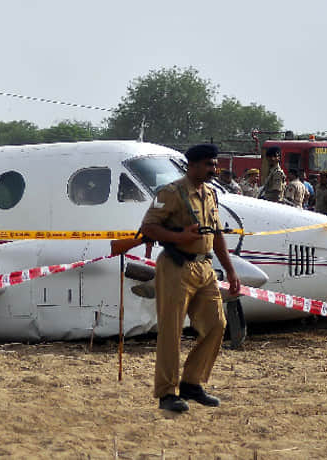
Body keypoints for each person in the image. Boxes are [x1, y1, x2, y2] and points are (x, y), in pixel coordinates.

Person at [139, 143, 241, 413]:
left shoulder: (210, 194)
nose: (213, 169)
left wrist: (231, 270)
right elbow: (148, 227)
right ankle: (167, 392)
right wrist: (178, 237)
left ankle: (192, 383)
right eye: (208, 164)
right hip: (176, 266)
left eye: (215, 164)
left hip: (204, 267)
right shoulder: (172, 193)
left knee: (217, 324)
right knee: (171, 332)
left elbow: (216, 235)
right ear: (192, 165)